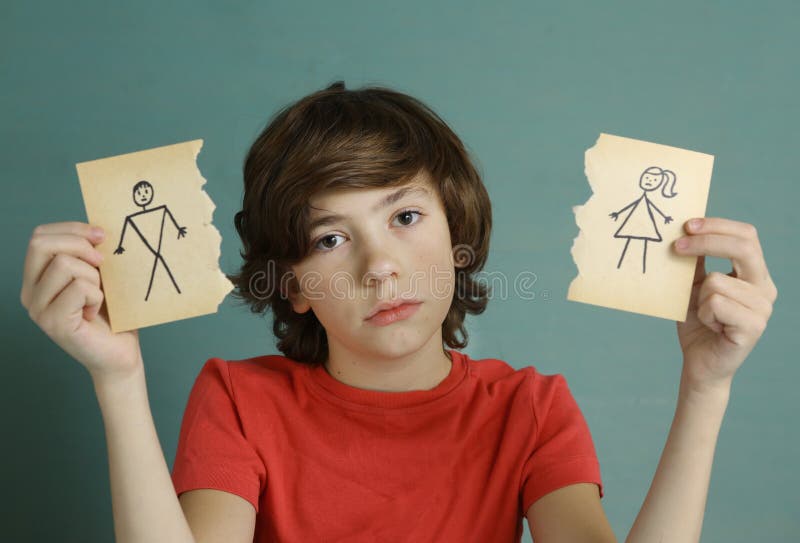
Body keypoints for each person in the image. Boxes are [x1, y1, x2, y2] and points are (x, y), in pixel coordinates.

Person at [19, 81, 778, 543]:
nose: (378, 264)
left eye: (405, 217)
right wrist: (118, 381)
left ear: (458, 235)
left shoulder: (531, 410)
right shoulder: (237, 400)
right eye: (329, 236)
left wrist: (706, 387)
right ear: (291, 284)